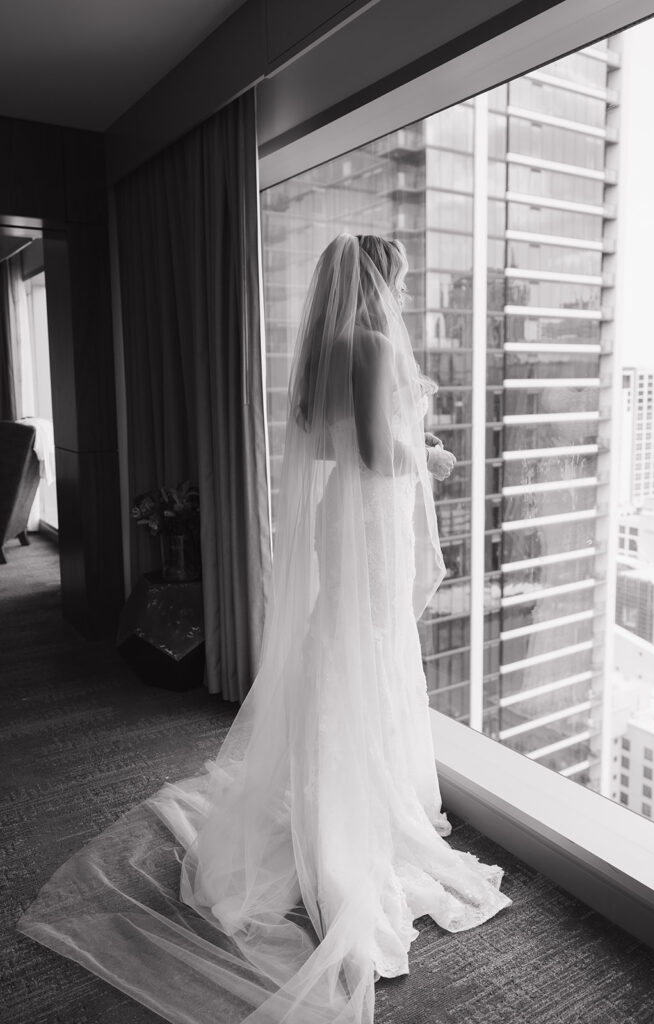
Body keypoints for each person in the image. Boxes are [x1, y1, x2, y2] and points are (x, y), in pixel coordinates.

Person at [16, 233, 511, 1024]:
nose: (402, 297)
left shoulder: (326, 345)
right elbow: (383, 455)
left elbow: (329, 440)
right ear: (381, 279)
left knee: (340, 649)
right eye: (401, 281)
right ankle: (353, 817)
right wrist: (434, 457)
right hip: (370, 523)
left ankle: (326, 798)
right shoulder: (375, 339)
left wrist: (407, 444)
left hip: (339, 522)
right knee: (366, 654)